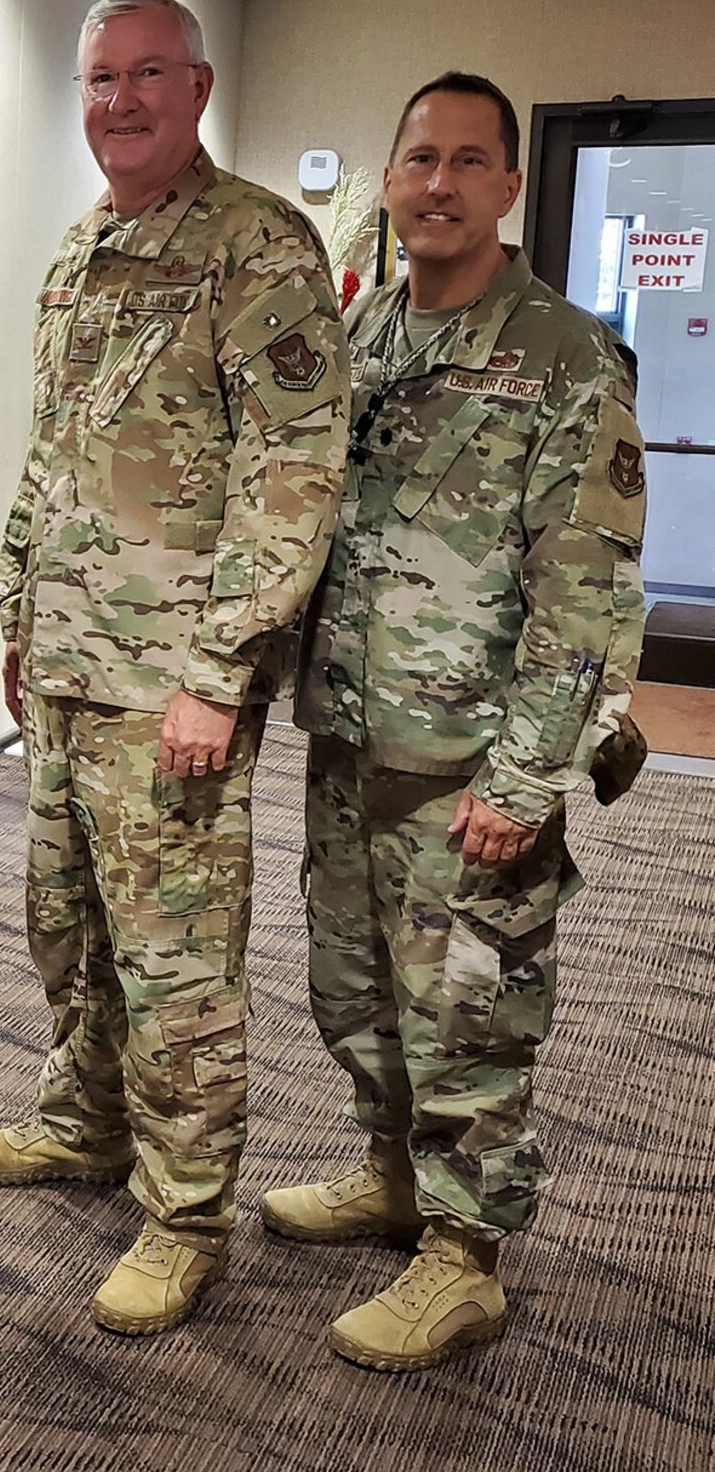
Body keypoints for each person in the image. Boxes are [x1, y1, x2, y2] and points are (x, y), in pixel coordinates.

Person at [0, 0, 349, 1335]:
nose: (117, 100)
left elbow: (291, 471)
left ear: (198, 84)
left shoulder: (258, 246)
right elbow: (52, 451)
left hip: (172, 682)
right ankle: (85, 1120)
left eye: (144, 76)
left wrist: (221, 667)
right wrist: (13, 611)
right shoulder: (80, 249)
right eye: (97, 78)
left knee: (176, 962)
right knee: (67, 928)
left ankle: (186, 1214)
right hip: (69, 667)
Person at [268, 72, 647, 1371]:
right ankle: (391, 1173)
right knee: (355, 989)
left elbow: (584, 590)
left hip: (472, 764)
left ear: (507, 186)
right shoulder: (363, 341)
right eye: (417, 156)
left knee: (471, 1014)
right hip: (351, 737)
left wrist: (528, 776)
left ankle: (464, 1254)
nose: (436, 181)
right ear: (388, 175)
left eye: (465, 160)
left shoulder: (565, 353)